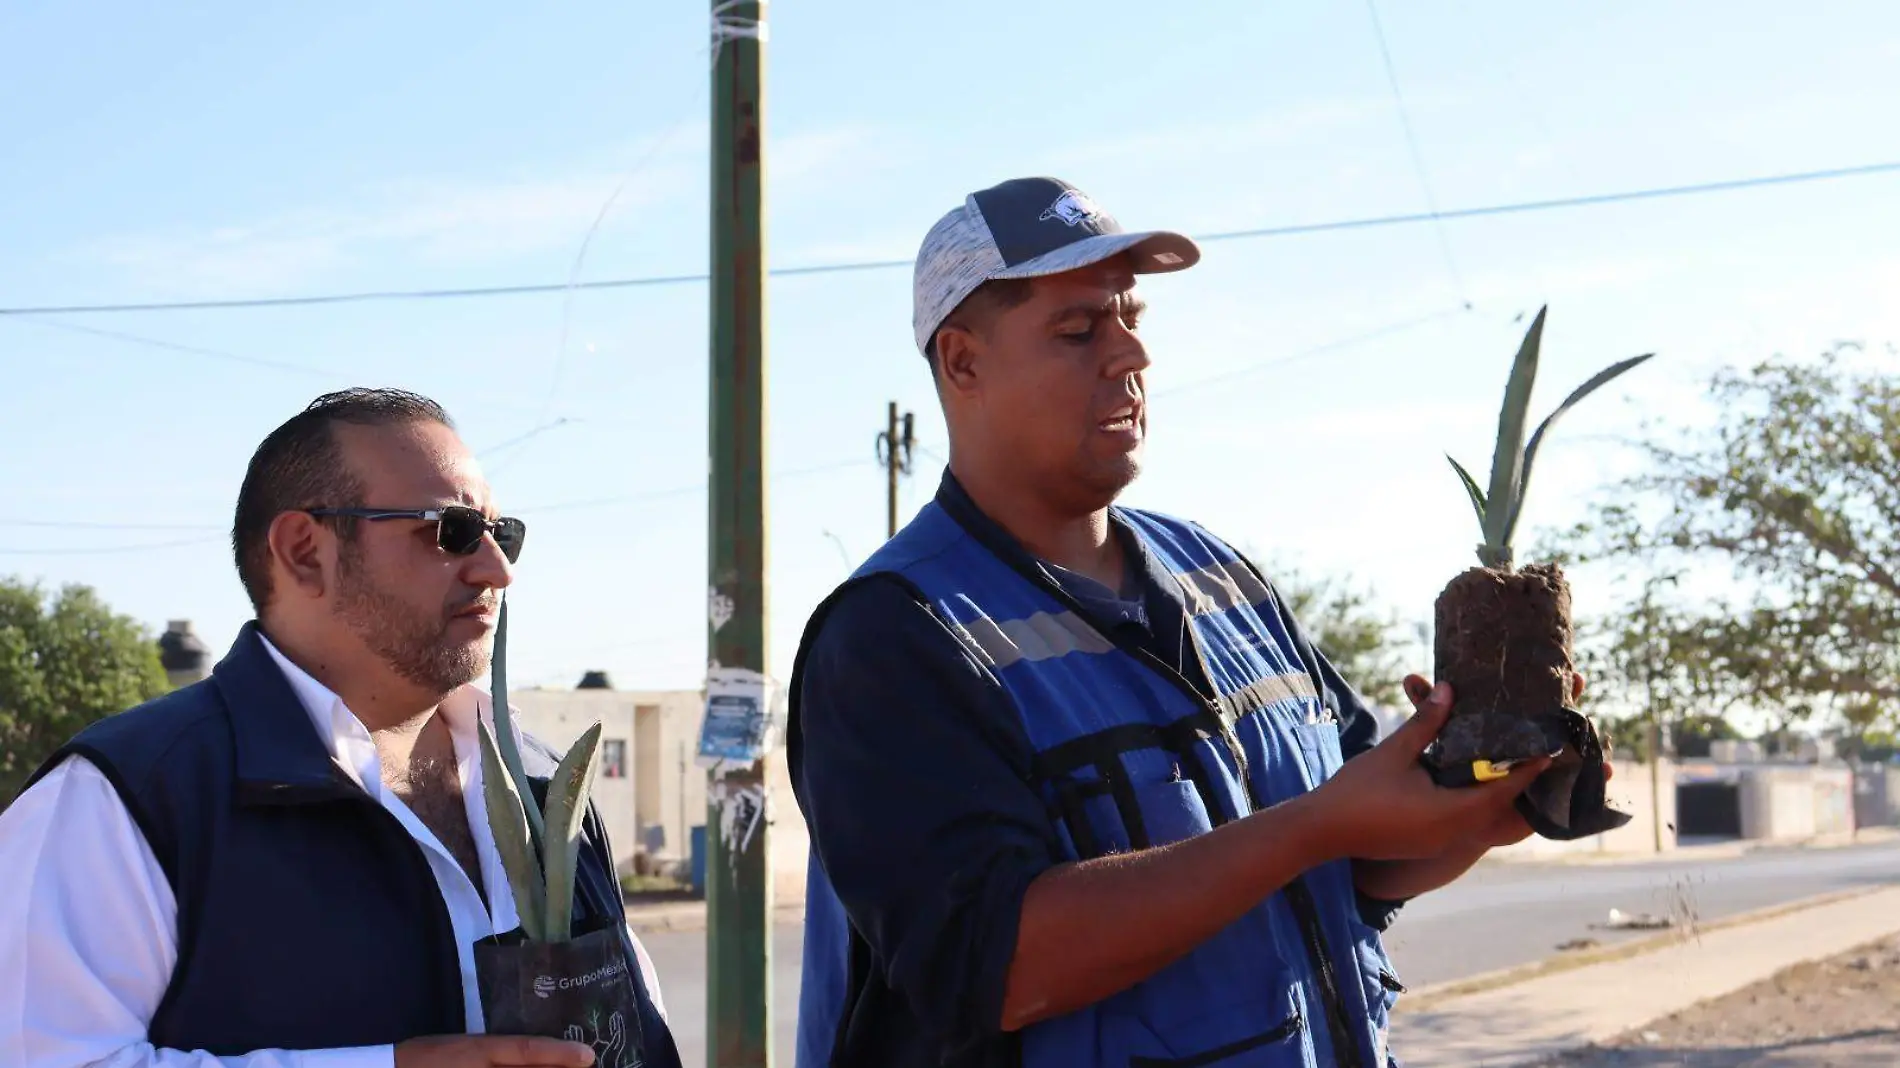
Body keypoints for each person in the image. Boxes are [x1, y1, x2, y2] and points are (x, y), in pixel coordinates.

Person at [787, 177, 1580, 1068]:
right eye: (1079, 331)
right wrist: (1316, 825)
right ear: (963, 363)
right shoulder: (895, 637)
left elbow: (1355, 864)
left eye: (1133, 318)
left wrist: (1483, 806)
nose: (1130, 355)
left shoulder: (1219, 575)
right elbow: (996, 964)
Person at [0, 389, 681, 1068]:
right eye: (451, 530)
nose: (496, 569)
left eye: (502, 534)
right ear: (304, 552)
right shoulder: (127, 802)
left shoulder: (547, 787)